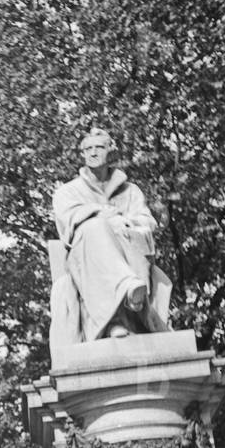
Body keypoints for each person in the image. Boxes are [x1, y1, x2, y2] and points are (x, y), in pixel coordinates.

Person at [50, 127, 169, 347]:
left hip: (127, 250)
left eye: (99, 147)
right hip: (84, 257)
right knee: (93, 228)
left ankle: (122, 314)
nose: (93, 153)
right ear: (82, 154)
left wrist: (123, 224)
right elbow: (68, 221)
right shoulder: (68, 192)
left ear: (110, 152)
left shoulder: (130, 191)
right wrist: (102, 214)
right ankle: (126, 291)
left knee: (108, 230)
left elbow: (146, 221)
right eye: (88, 149)